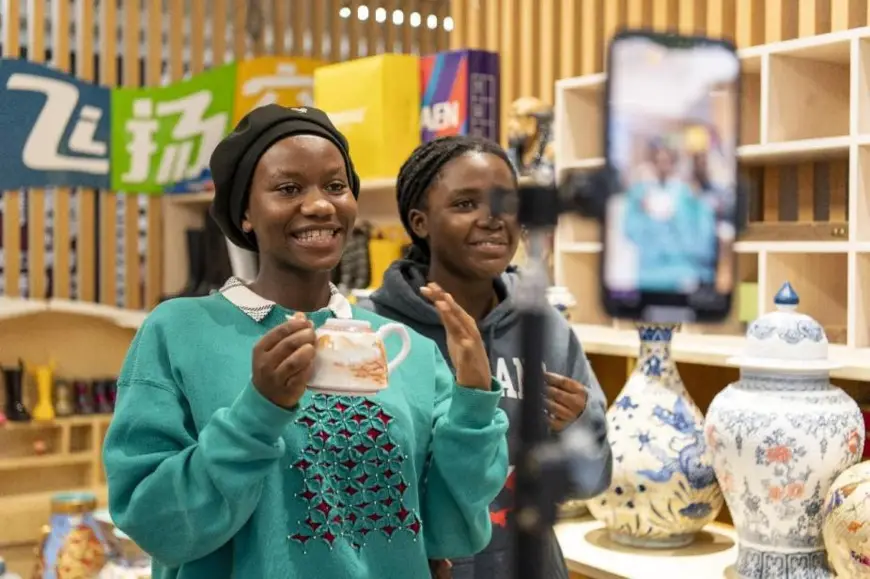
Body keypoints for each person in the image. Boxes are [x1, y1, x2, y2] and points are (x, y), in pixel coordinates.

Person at [102, 105, 510, 579]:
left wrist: (475, 402)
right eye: (288, 188)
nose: (320, 205)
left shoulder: (407, 351)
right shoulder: (178, 332)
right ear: (246, 213)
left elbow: (449, 535)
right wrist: (257, 412)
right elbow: (155, 525)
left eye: (336, 186)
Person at [360, 135, 612, 579]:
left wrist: (578, 428)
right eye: (464, 204)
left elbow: (591, 482)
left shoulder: (546, 328)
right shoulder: (375, 332)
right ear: (420, 222)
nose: (492, 220)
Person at [622, 140, 717, 293]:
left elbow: (703, 232)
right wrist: (644, 212)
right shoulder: (639, 194)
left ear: (674, 162)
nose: (662, 165)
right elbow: (629, 230)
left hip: (682, 270)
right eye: (658, 160)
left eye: (667, 161)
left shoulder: (688, 193)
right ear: (651, 162)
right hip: (649, 272)